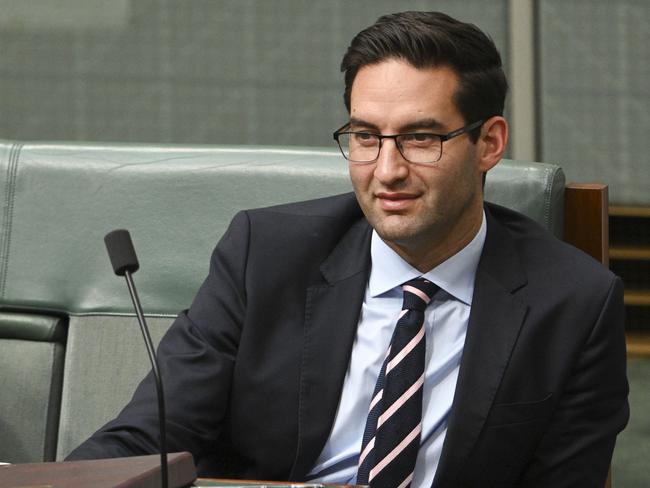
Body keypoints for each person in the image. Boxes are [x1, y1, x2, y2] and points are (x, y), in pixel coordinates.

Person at [67, 11, 628, 487]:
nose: (387, 171)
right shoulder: (263, 254)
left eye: (420, 138)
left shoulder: (575, 303)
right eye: (365, 137)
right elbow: (151, 437)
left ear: (489, 143)